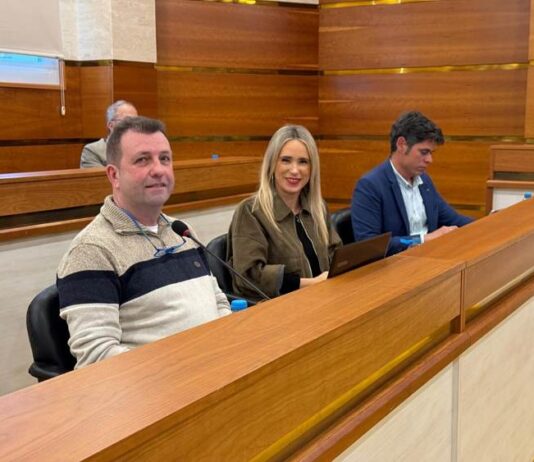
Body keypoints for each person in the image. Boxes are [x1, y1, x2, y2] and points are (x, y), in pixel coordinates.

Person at [58, 116, 230, 368]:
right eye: (142, 160)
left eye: (165, 158)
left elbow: (219, 303)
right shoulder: (91, 250)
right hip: (159, 384)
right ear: (114, 175)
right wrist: (183, 366)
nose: (159, 169)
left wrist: (228, 346)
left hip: (214, 367)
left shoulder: (181, 232)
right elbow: (97, 357)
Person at [228, 124, 342, 299]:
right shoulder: (251, 211)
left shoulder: (318, 208)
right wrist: (311, 284)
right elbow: (249, 276)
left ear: (312, 168)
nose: (295, 170)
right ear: (272, 164)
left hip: (327, 299)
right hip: (283, 308)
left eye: (303, 162)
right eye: (286, 160)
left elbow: (337, 257)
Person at [351, 111, 472, 256]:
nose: (429, 160)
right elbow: (369, 245)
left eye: (431, 153)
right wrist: (422, 239)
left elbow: (454, 219)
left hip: (430, 259)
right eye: (424, 152)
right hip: (395, 266)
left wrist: (488, 222)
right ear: (401, 145)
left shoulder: (424, 181)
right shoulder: (370, 186)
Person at [80, 100, 138, 168]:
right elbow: (100, 175)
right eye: (127, 121)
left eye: (136, 121)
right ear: (111, 125)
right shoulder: (93, 151)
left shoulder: (142, 148)